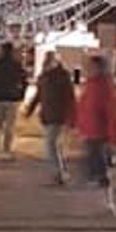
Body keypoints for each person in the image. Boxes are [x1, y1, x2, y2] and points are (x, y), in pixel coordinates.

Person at [76, 53, 116, 209]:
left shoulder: (103, 87)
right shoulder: (90, 84)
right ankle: (98, 200)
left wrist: (113, 138)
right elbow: (83, 107)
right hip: (89, 131)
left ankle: (106, 201)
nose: (87, 69)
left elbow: (111, 113)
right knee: (90, 167)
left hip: (98, 133)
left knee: (99, 168)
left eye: (91, 66)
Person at [25, 51, 77, 185]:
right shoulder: (44, 76)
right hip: (47, 115)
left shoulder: (62, 76)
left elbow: (70, 98)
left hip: (58, 115)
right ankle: (59, 172)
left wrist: (72, 116)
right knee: (54, 145)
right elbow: (38, 95)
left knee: (50, 145)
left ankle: (59, 173)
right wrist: (29, 110)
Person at [0, 40, 28, 158]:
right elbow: (24, 81)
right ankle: (6, 148)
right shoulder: (17, 65)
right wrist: (21, 94)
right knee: (10, 125)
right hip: (13, 99)